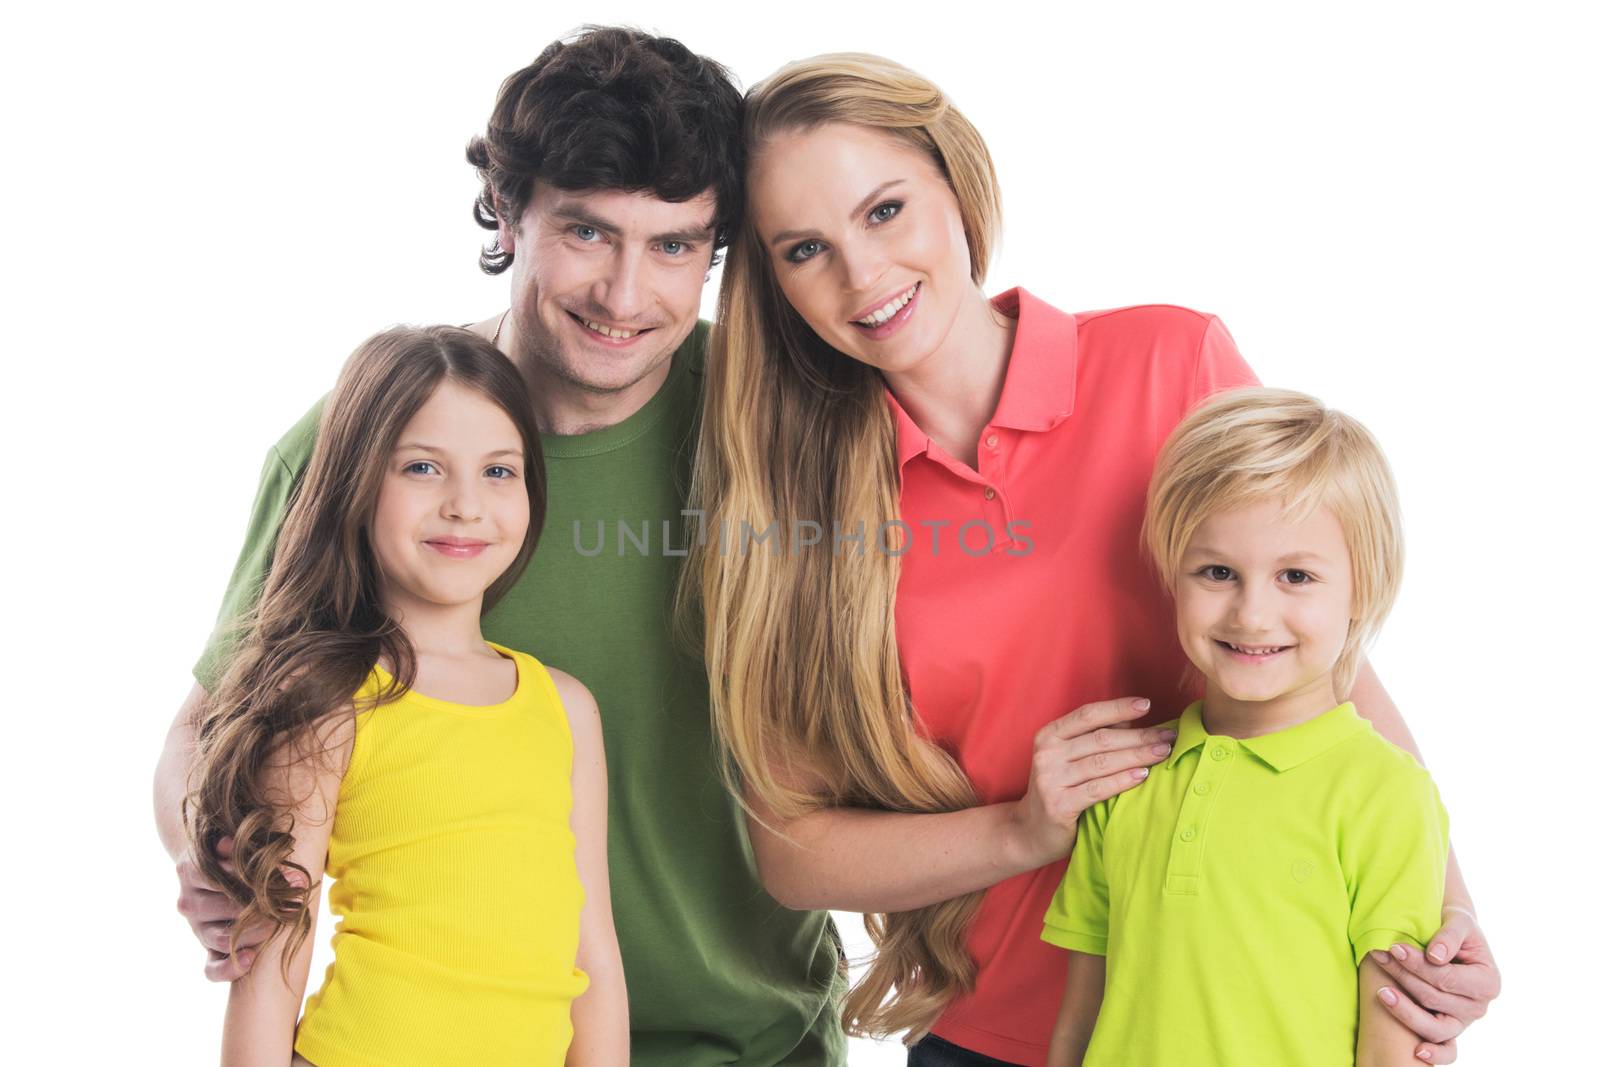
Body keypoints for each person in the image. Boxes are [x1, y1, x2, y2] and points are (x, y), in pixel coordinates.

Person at [690, 53, 1499, 1066]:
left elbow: (1330, 668)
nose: (862, 274)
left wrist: (1444, 921)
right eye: (805, 249)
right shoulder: (796, 508)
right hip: (992, 1037)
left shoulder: (1171, 364)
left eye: (886, 210)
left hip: (1263, 1023)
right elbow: (794, 851)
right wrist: (1022, 829)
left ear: (954, 184)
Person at [154, 27, 847, 1065]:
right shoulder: (361, 446)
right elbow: (213, 726)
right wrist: (210, 860)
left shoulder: (774, 422)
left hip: (752, 1035)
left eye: (673, 246)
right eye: (585, 231)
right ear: (508, 210)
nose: (625, 294)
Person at [187, 325, 625, 1065]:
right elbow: (270, 966)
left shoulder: (567, 708)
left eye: (498, 470)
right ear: (358, 483)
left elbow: (596, 958)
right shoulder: (328, 700)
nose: (464, 504)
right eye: (422, 467)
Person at [1042, 387, 1446, 1066]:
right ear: (1173, 574)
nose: (1252, 614)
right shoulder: (1124, 782)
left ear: (1363, 590)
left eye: (1295, 575)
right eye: (1218, 572)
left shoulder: (1386, 794)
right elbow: (1079, 1026)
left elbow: (1393, 1047)